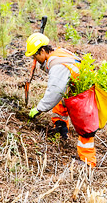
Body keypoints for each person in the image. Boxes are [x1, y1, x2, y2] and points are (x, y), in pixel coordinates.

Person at [25, 33, 96, 167]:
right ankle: (60, 128)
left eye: (35, 55)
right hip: (76, 89)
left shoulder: (57, 65)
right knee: (60, 102)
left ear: (42, 51)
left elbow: (54, 91)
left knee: (85, 127)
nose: (35, 59)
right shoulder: (58, 53)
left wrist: (39, 108)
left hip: (84, 94)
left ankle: (87, 161)